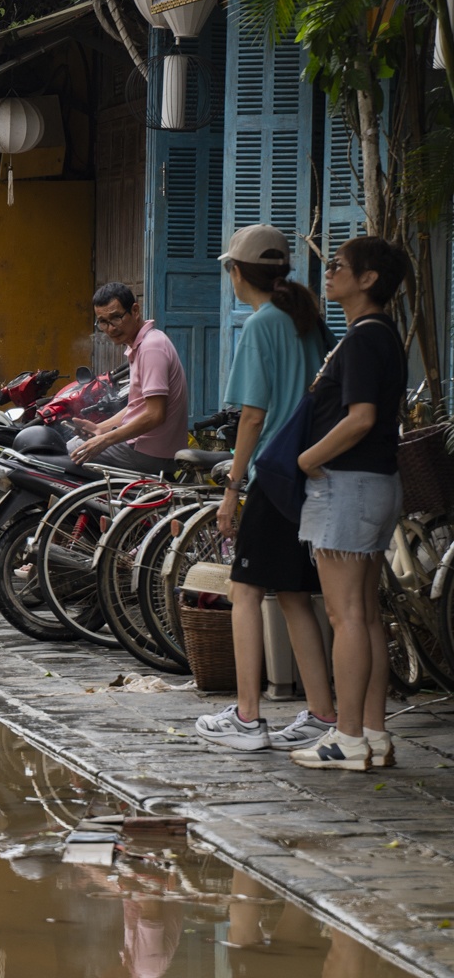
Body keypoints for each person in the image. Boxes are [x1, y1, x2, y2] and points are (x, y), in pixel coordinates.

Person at [195, 225, 337, 753]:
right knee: (295, 596)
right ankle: (321, 713)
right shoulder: (307, 320)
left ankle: (248, 717)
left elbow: (252, 417)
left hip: (273, 476)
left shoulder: (260, 325)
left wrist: (232, 490)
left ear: (237, 272)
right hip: (308, 475)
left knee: (246, 592)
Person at [291, 235, 411, 772]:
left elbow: (360, 418)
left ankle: (347, 737)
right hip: (374, 483)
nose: (329, 272)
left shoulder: (364, 338)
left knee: (347, 616)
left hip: (348, 485)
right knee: (364, 615)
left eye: (338, 265)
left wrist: (306, 458)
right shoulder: (382, 334)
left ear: (368, 279)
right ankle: (373, 733)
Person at [70, 281, 189, 473]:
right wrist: (101, 429)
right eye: (103, 322)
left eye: (116, 318)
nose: (110, 328)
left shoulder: (151, 347)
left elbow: (155, 415)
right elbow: (138, 406)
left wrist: (105, 440)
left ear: (135, 311)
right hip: (149, 448)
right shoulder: (142, 344)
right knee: (75, 443)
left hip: (150, 452)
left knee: (70, 451)